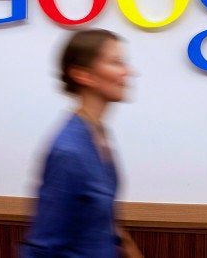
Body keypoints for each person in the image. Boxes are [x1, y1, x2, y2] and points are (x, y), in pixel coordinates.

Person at [22, 29, 142, 257]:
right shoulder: (68, 151)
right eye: (117, 63)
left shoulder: (99, 135)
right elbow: (42, 245)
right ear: (82, 75)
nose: (129, 72)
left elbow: (101, 218)